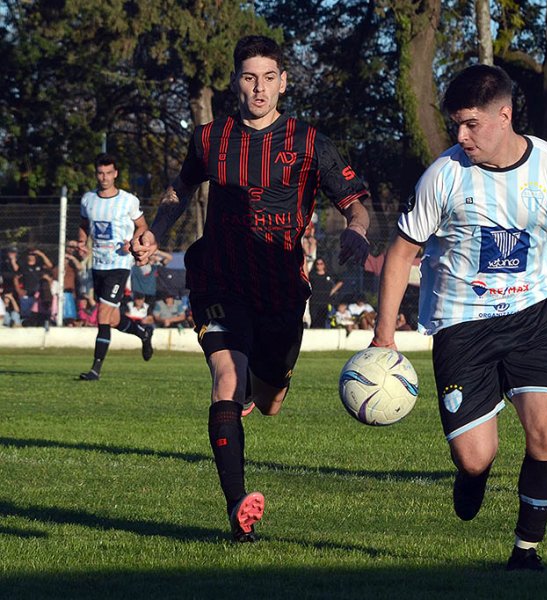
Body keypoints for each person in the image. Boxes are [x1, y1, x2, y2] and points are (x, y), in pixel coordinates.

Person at [370, 65, 547, 571]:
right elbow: (402, 251)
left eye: (471, 124)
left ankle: (526, 551)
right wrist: (385, 337)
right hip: (460, 325)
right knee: (476, 456)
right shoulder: (444, 175)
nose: (461, 136)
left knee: (546, 433)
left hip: (530, 317)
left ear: (505, 116)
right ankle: (472, 476)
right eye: (456, 125)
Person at [131, 35, 371, 543]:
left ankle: (252, 396)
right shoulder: (209, 138)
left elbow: (354, 202)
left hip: (282, 287)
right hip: (219, 275)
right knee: (226, 376)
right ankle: (238, 507)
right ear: (235, 82)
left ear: (283, 82)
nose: (258, 89)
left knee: (270, 399)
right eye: (248, 77)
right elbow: (182, 186)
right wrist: (156, 227)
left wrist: (357, 228)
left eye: (268, 78)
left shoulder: (310, 143)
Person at [77, 153, 155, 379]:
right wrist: (82, 242)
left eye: (108, 173)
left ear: (115, 174)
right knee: (111, 318)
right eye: (100, 173)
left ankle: (95, 369)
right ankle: (142, 332)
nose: (104, 177)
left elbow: (142, 226)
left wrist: (132, 242)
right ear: (96, 174)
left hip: (120, 264)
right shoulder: (88, 199)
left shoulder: (128, 200)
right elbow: (83, 225)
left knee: (102, 314)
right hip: (98, 263)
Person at [307, 258, 343, 328]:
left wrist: (332, 291)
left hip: (325, 302)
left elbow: (340, 282)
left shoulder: (329, 274)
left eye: (321, 264)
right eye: (317, 264)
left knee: (323, 320)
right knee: (314, 320)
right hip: (315, 302)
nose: (319, 266)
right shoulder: (312, 275)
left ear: (324, 265)